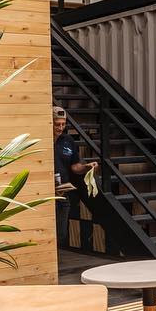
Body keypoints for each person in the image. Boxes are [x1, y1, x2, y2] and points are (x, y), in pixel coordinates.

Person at [52, 106, 97, 250]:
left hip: (62, 192)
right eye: (57, 124)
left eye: (63, 124)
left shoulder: (68, 141)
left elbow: (74, 166)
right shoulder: (43, 140)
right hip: (45, 193)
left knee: (61, 234)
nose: (60, 128)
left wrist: (87, 167)